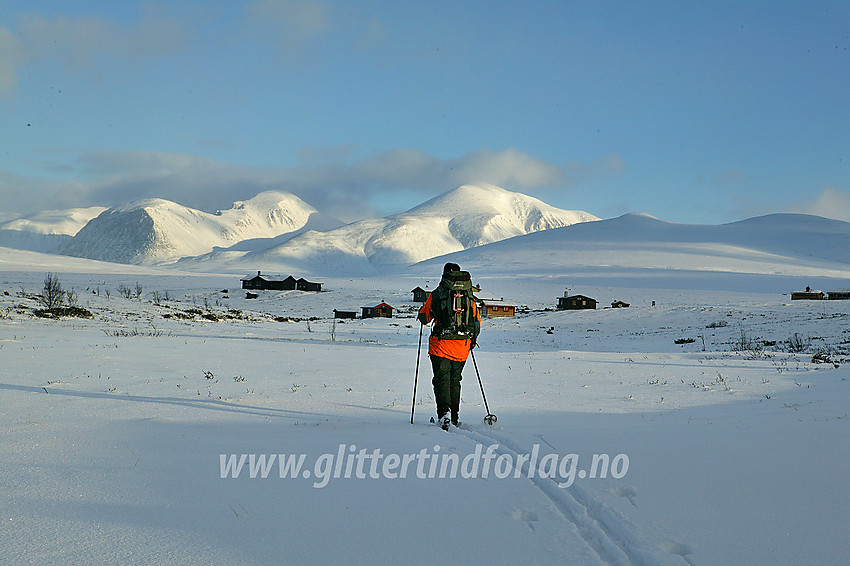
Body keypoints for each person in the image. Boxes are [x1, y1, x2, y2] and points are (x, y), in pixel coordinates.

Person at [417, 262, 481, 429]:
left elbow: (425, 317)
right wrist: (471, 343)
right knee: (455, 380)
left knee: (441, 379)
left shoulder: (438, 293)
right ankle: (454, 416)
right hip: (462, 347)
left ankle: (444, 414)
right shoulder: (469, 295)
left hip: (441, 345)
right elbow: (476, 322)